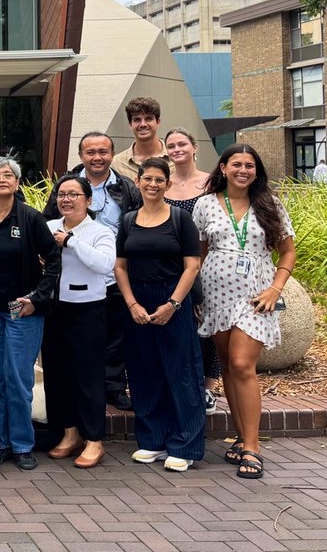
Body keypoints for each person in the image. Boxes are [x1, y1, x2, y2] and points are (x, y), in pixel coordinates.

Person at [194, 144, 295, 480]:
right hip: (217, 294)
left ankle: (252, 447)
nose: (243, 170)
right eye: (236, 164)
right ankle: (240, 435)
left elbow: (288, 253)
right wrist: (195, 295)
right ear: (223, 168)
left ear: (256, 170)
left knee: (241, 363)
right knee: (226, 365)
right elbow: (199, 253)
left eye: (249, 165)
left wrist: (275, 289)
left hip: (257, 296)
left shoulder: (270, 204)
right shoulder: (205, 204)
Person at [0, 155, 60, 471]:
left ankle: (21, 444)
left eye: (8, 175)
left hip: (21, 308)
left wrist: (36, 298)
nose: (1, 179)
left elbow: (54, 261)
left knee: (17, 377)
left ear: (17, 183)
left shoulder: (30, 218)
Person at [114, 157, 204, 472]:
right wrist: (132, 304)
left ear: (167, 184)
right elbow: (120, 266)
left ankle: (185, 444)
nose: (152, 184)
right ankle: (152, 440)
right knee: (143, 371)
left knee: (181, 372)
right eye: (147, 179)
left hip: (172, 298)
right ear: (137, 182)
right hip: (137, 300)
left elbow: (192, 265)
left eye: (159, 180)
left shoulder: (181, 219)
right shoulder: (128, 221)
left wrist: (174, 304)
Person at [41, 131, 142, 411]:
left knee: (116, 334)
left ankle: (113, 386)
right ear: (81, 155)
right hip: (76, 275)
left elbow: (136, 224)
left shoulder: (126, 187)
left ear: (112, 154)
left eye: (103, 152)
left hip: (116, 271)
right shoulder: (68, 186)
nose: (97, 157)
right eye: (90, 152)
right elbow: (50, 222)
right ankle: (83, 388)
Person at [42, 174, 116, 469]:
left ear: (88, 200)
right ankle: (69, 433)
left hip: (87, 310)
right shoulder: (47, 227)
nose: (67, 199)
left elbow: (104, 265)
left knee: (88, 376)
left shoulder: (100, 232)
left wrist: (71, 242)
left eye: (74, 194)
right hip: (53, 309)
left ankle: (95, 439)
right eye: (62, 194)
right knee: (57, 375)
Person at [162, 127, 221, 415]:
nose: (177, 149)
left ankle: (208, 388)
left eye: (182, 144)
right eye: (171, 145)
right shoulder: (163, 184)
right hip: (170, 265)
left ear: (195, 147)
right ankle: (181, 384)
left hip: (206, 263)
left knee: (206, 325)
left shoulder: (211, 183)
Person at [110, 96, 170, 180]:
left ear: (158, 122)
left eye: (148, 119)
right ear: (130, 125)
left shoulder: (175, 159)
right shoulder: (116, 164)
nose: (143, 124)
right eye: (137, 120)